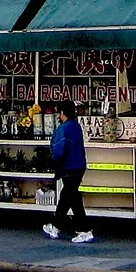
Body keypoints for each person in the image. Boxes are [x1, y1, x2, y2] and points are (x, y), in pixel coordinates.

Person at [43, 100, 93, 244]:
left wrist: (53, 161)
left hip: (68, 167)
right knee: (68, 195)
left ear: (62, 113)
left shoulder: (62, 128)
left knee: (72, 197)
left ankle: (84, 230)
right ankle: (55, 226)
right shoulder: (76, 126)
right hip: (79, 165)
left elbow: (58, 150)